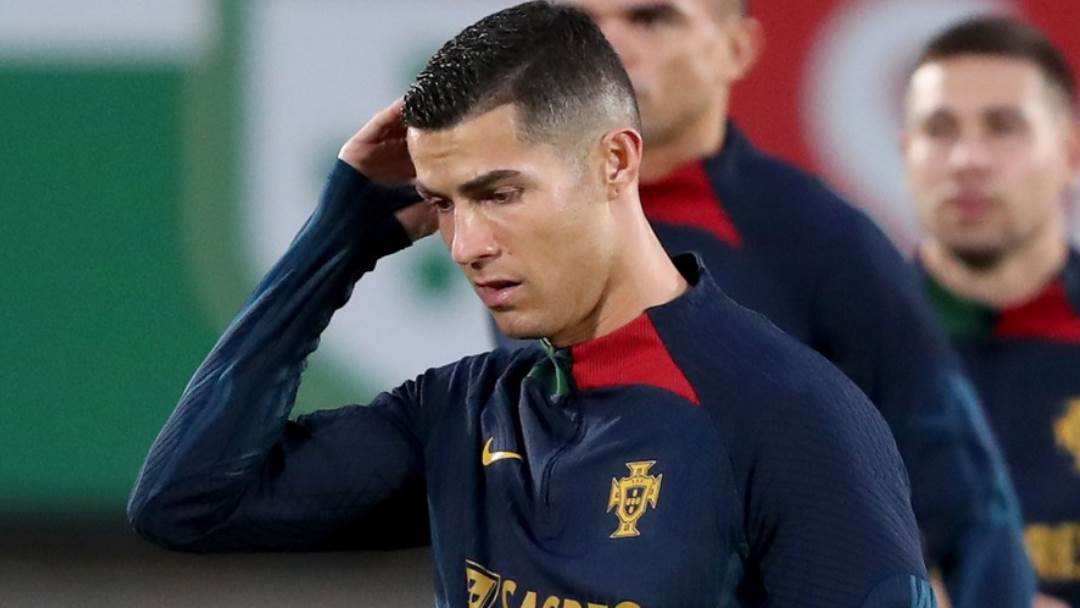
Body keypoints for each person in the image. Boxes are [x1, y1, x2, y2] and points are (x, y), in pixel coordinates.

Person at [127, 2, 934, 606]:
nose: (465, 244)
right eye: (442, 203)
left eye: (499, 193)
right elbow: (185, 504)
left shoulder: (791, 418)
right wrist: (334, 244)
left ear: (614, 162)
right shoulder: (458, 414)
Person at [541, 1, 1037, 606]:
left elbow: (970, 506)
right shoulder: (523, 231)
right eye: (582, 22)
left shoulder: (824, 240)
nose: (609, 46)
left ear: (737, 49)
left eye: (652, 19)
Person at [903, 16, 1080, 608]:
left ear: (1070, 152)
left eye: (1004, 127)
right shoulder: (835, 354)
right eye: (939, 129)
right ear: (905, 152)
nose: (967, 159)